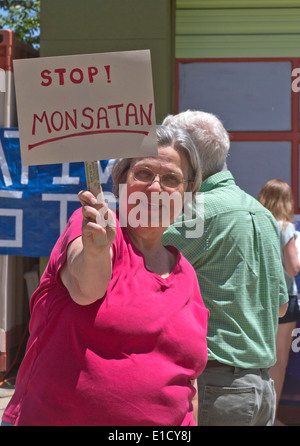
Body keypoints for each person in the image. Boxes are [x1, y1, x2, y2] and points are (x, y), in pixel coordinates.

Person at [1, 125, 208, 426]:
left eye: (171, 179)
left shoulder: (186, 274)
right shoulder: (93, 233)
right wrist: (97, 249)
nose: (155, 187)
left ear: (186, 194)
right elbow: (87, 289)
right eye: (144, 173)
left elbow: (189, 380)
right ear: (121, 180)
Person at [161, 110, 289, 426]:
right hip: (260, 386)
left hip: (215, 385)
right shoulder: (260, 212)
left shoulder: (192, 214)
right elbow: (281, 307)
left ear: (185, 157)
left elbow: (131, 281)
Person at [258, 179, 300, 424]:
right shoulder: (285, 227)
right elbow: (293, 268)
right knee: (279, 361)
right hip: (284, 298)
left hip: (257, 299)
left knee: (259, 359)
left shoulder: (255, 224)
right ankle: (270, 417)